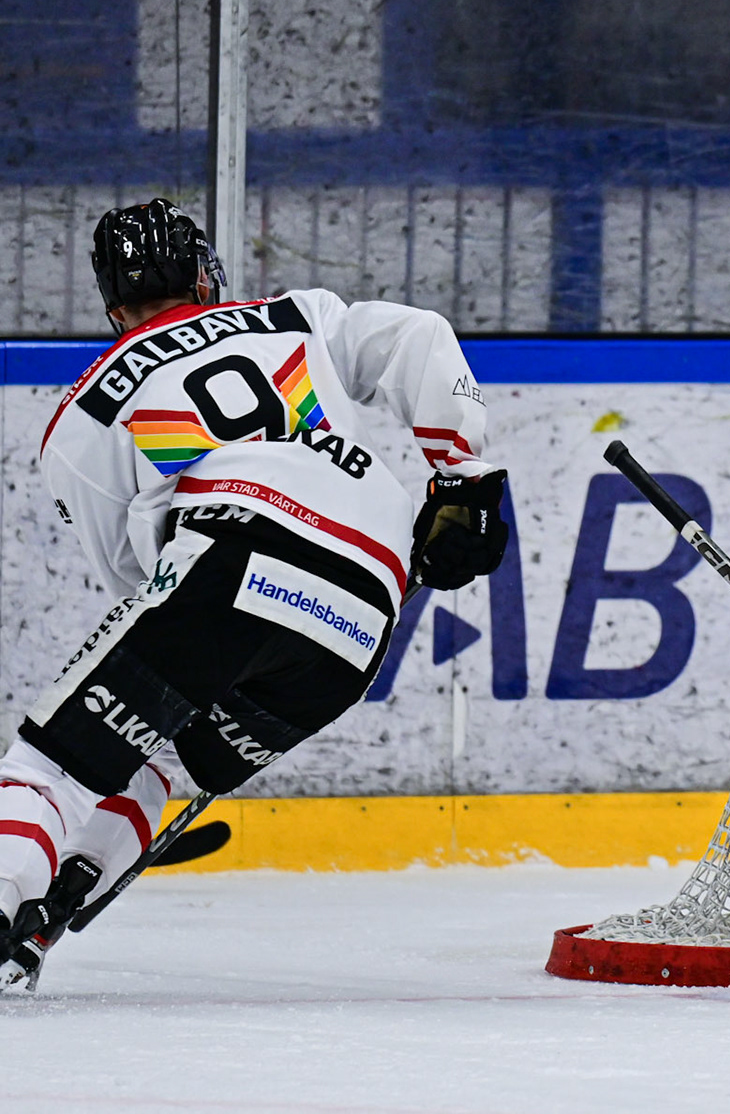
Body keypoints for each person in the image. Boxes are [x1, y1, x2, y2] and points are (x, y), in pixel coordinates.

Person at [0, 200, 510, 989]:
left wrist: (200, 634)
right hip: (360, 619)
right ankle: (55, 905)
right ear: (206, 276)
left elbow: (132, 577)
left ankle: (21, 907)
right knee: (162, 751)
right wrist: (463, 477)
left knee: (59, 765)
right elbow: (417, 337)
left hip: (230, 565)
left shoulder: (86, 411)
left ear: (114, 308)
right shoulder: (294, 316)